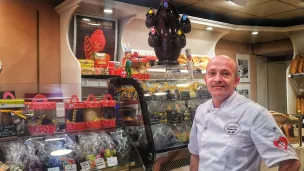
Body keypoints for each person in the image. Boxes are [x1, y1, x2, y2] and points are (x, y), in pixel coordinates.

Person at [188, 55, 301, 171]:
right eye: (212, 73)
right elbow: (195, 155)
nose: (217, 79)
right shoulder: (201, 110)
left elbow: (292, 163)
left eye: (225, 73)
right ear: (206, 79)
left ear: (236, 81)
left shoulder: (255, 114)